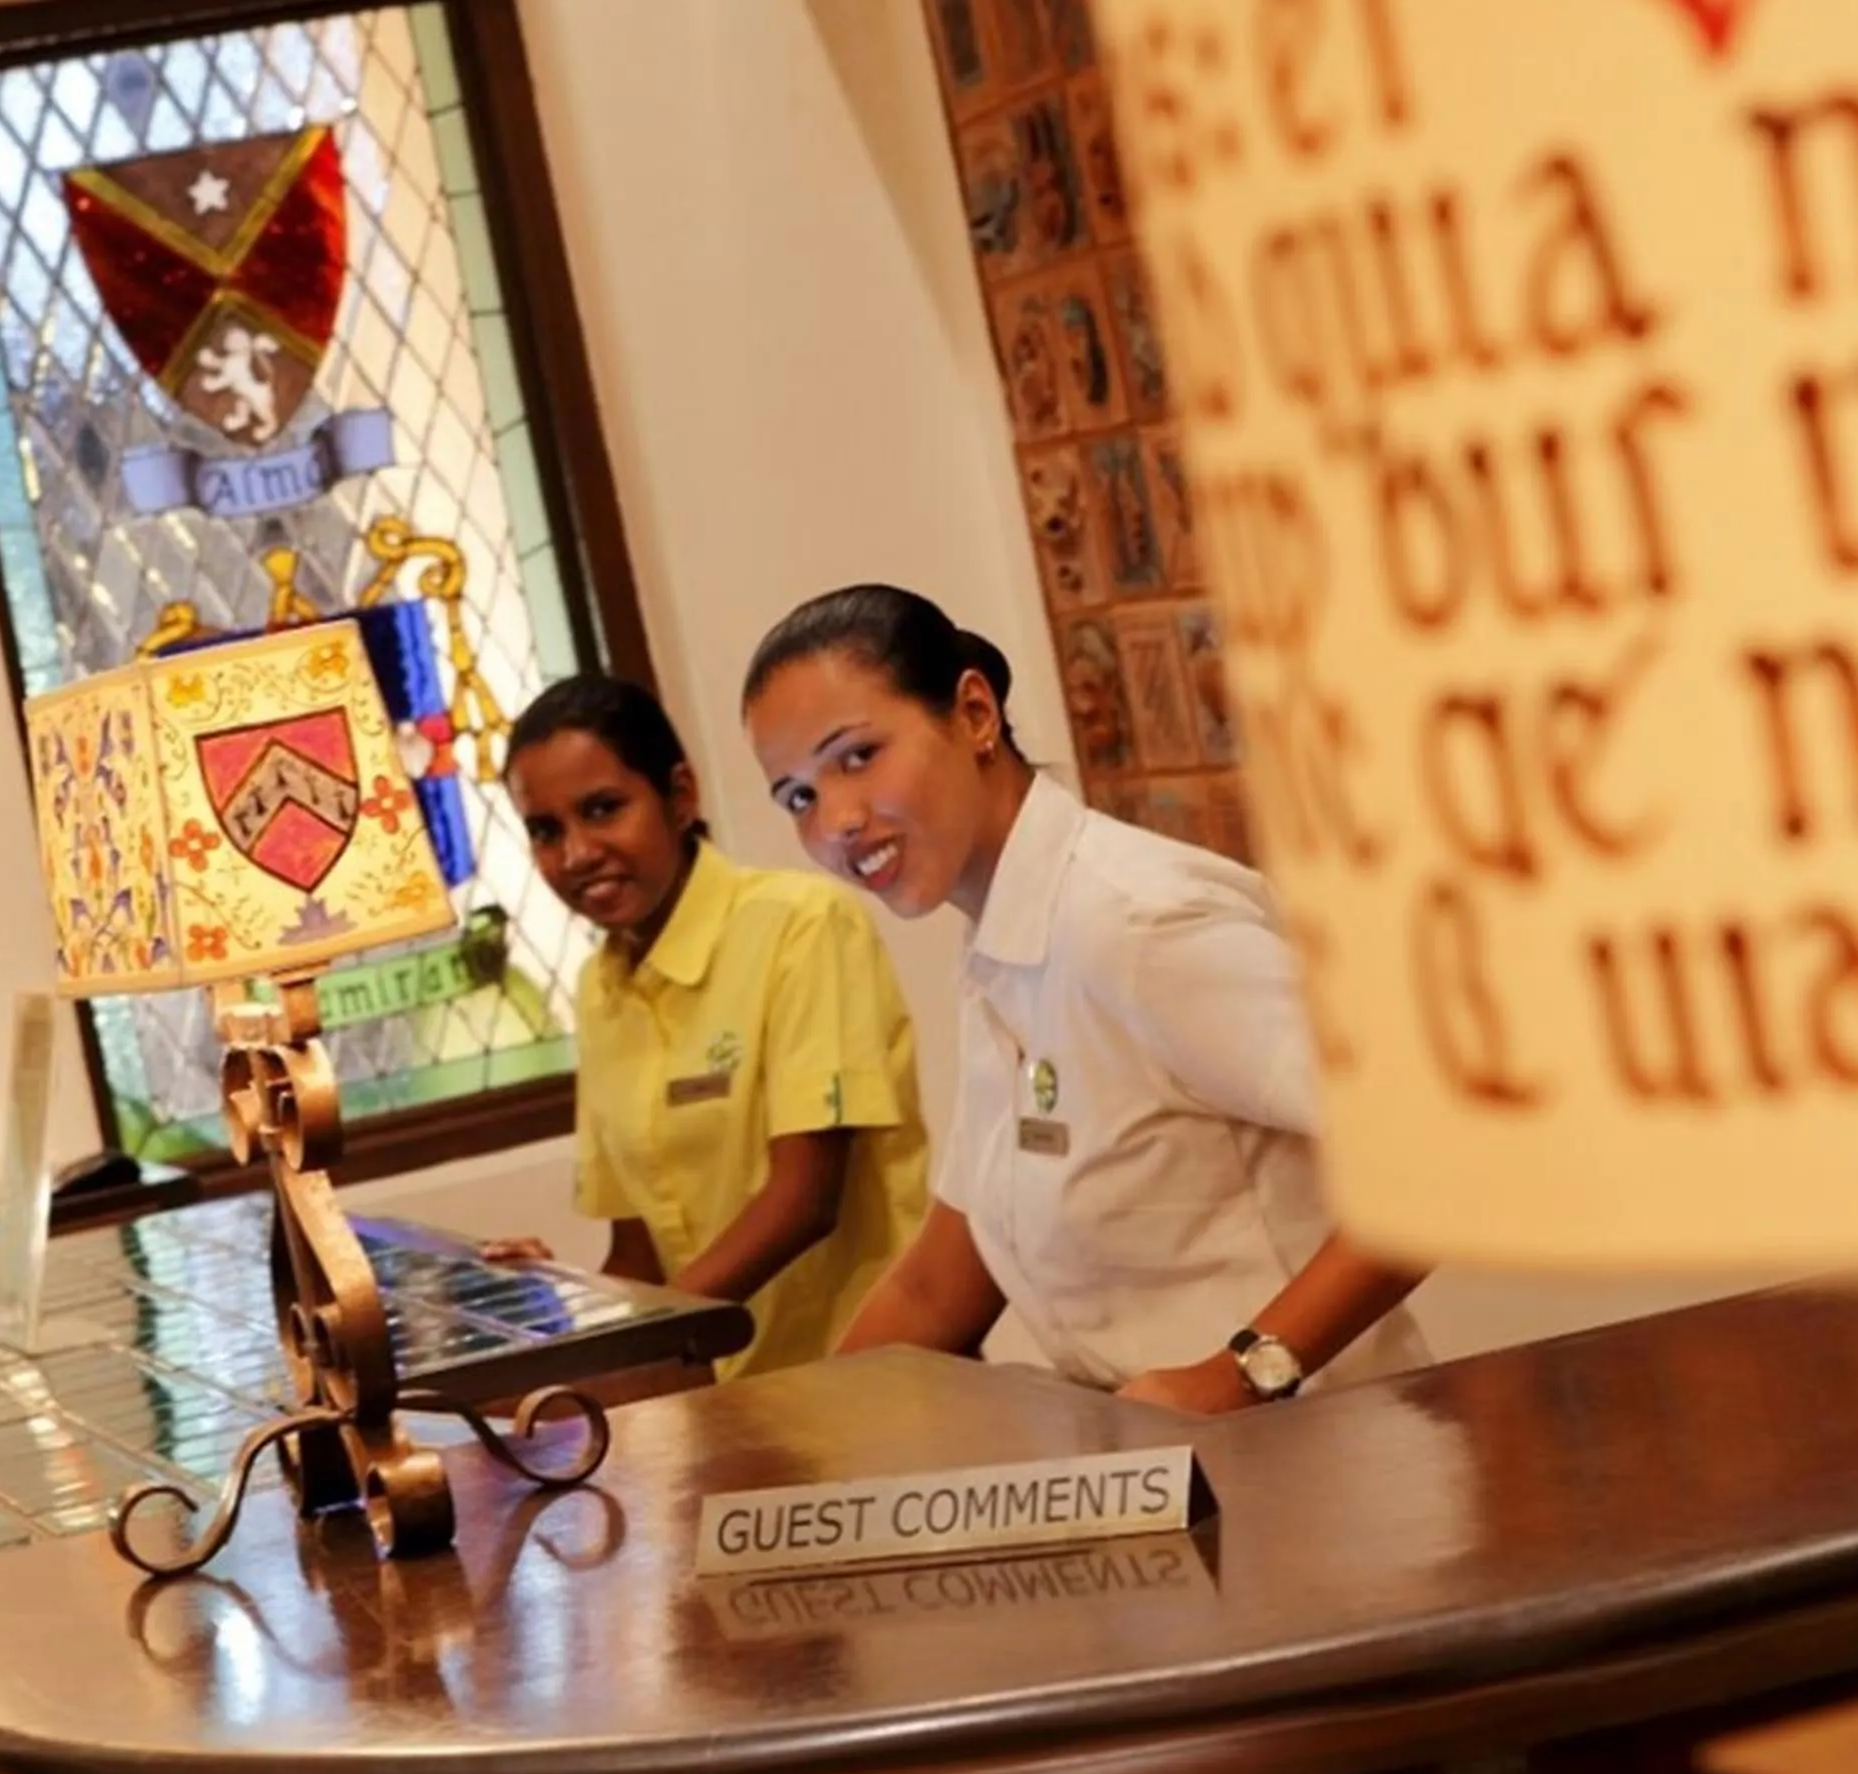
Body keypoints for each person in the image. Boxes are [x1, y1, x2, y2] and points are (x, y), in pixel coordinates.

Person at [738, 586, 1431, 1413]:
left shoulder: (1138, 924)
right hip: (1153, 1476)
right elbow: (938, 1285)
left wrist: (1241, 1371)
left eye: (857, 756)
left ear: (972, 713)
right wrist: (793, 1444)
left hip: (1322, 1458)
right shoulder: (1000, 943)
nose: (837, 822)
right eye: (799, 798)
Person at [481, 674, 932, 1379]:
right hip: (724, 1405)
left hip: (870, 1381)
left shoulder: (803, 926)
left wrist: (642, 1344)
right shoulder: (602, 986)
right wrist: (549, 1310)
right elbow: (639, 1255)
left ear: (681, 795)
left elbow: (806, 1200)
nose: (576, 854)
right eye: (546, 830)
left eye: (603, 809)